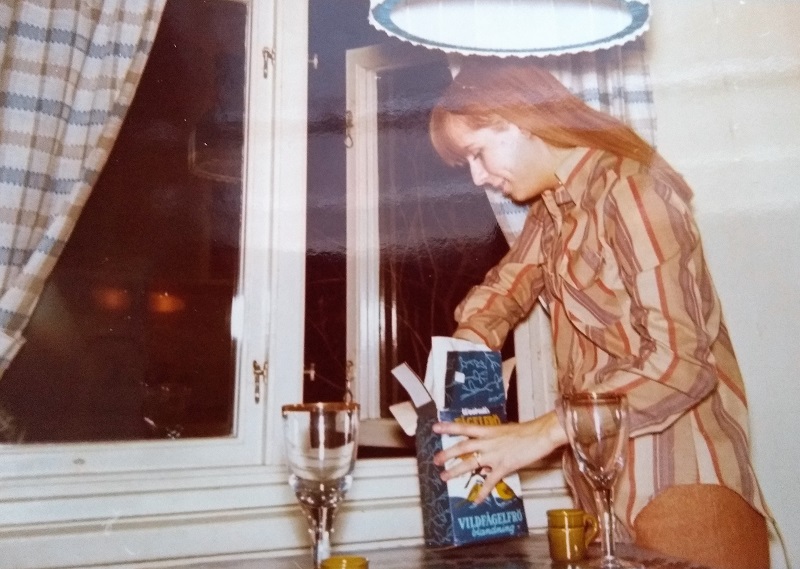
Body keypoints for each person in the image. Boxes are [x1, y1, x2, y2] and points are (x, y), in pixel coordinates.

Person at [427, 59, 772, 569]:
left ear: (519, 120)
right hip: (602, 489)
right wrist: (466, 360)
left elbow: (680, 364)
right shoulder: (553, 211)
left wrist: (540, 433)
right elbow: (505, 290)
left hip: (680, 482)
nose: (479, 177)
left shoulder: (632, 190)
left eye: (478, 153)